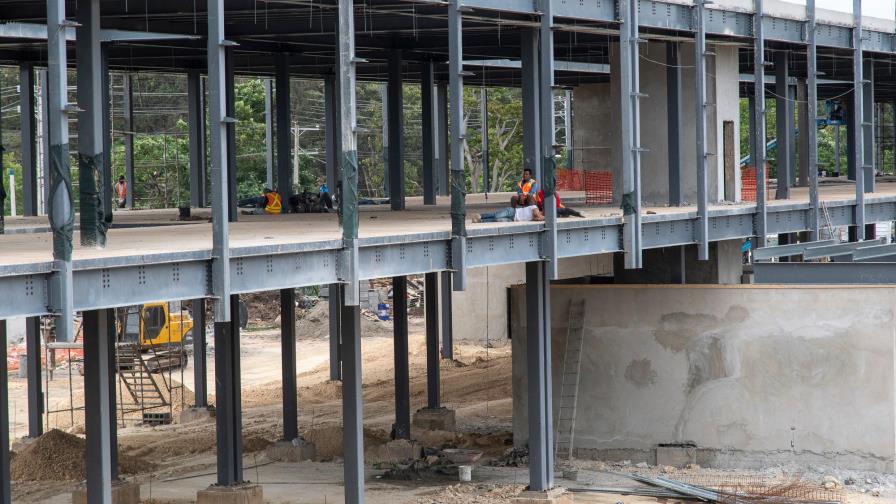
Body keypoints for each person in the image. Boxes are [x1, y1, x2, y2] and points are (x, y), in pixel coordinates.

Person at [473, 204, 544, 223]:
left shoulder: (537, 217)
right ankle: (481, 216)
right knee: (496, 215)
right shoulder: (535, 207)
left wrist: (540, 218)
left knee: (497, 220)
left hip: (513, 220)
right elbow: (536, 214)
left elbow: (536, 218)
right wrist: (542, 218)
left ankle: (481, 221)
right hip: (512, 211)